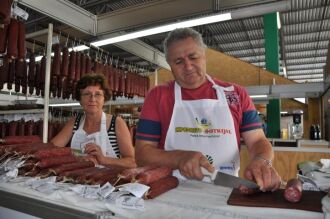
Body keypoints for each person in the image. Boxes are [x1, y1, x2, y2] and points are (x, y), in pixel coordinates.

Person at [135, 27, 281, 192]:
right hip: (171, 191)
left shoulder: (236, 94)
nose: (188, 66)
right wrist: (179, 158)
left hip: (226, 191)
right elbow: (142, 154)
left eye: (193, 57)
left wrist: (262, 161)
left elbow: (257, 141)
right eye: (178, 62)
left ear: (204, 56)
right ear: (170, 65)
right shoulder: (158, 96)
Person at [51, 73, 136, 169]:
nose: (92, 99)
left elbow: (132, 162)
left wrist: (104, 160)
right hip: (78, 180)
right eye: (87, 94)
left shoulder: (116, 123)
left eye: (98, 94)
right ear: (80, 100)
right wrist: (76, 157)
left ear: (104, 99)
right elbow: (52, 150)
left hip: (109, 182)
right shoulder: (74, 122)